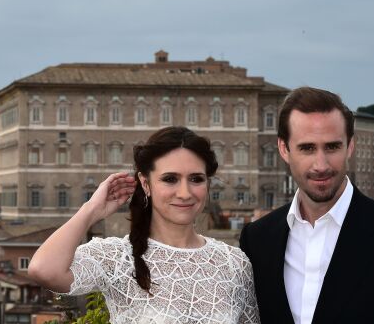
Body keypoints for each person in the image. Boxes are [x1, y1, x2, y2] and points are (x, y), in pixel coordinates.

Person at [239, 87, 374, 324]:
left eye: (332, 147)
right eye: (307, 148)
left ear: (349, 147)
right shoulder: (257, 240)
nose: (321, 165)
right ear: (284, 149)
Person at [29, 126, 260, 323]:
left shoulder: (234, 264)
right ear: (145, 183)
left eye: (196, 179)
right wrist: (91, 210)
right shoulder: (116, 257)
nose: (185, 193)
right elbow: (44, 270)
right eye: (170, 179)